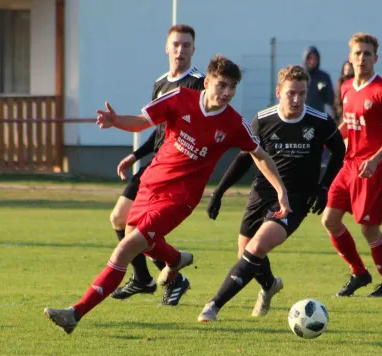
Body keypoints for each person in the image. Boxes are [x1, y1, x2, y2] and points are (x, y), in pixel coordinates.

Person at [43, 55, 290, 334]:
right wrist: (115, 121)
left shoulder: (234, 123)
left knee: (126, 247)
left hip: (179, 199)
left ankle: (75, 313)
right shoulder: (179, 98)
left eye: (233, 87)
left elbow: (259, 155)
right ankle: (175, 259)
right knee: (134, 235)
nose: (227, 93)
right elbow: (140, 122)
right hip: (151, 185)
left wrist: (281, 190)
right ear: (207, 82)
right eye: (222, 85)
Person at [197, 65, 345, 322]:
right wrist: (219, 191)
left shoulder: (319, 122)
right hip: (262, 193)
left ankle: (213, 306)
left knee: (256, 247)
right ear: (279, 93)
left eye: (302, 93)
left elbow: (339, 152)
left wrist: (323, 187)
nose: (297, 99)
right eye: (291, 93)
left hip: (296, 198)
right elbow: (245, 157)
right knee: (246, 253)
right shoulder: (263, 120)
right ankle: (269, 286)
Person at [109, 24, 205, 307]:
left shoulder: (198, 84)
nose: (180, 50)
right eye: (176, 45)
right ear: (167, 48)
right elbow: (160, 127)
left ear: (193, 50)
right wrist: (137, 155)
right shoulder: (161, 83)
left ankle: (173, 275)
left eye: (186, 45)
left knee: (141, 229)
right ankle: (145, 279)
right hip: (155, 162)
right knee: (119, 219)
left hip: (175, 169)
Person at [321, 33, 382, 298]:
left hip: (374, 168)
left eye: (367, 53)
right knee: (329, 220)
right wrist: (328, 142)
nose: (362, 58)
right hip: (349, 166)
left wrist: (375, 159)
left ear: (376, 58)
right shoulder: (345, 88)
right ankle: (359, 272)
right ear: (350, 57)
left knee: (369, 228)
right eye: (357, 53)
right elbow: (349, 124)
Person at [303, 46, 336, 116]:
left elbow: (331, 100)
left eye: (315, 59)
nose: (312, 61)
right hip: (302, 114)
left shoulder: (324, 76)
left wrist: (324, 92)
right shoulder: (300, 75)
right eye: (310, 58)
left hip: (318, 114)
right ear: (305, 59)